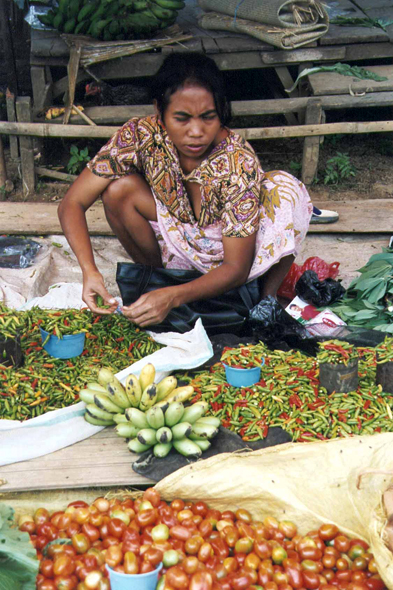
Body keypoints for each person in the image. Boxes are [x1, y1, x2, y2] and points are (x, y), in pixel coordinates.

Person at [58, 52, 313, 329]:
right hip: (180, 236)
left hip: (231, 251)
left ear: (220, 111)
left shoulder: (237, 162)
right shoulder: (140, 134)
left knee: (285, 188)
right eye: (181, 118)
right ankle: (158, 282)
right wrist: (90, 271)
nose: (196, 131)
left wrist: (173, 298)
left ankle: (265, 300)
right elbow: (72, 203)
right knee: (117, 190)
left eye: (208, 117)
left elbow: (236, 268)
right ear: (160, 111)